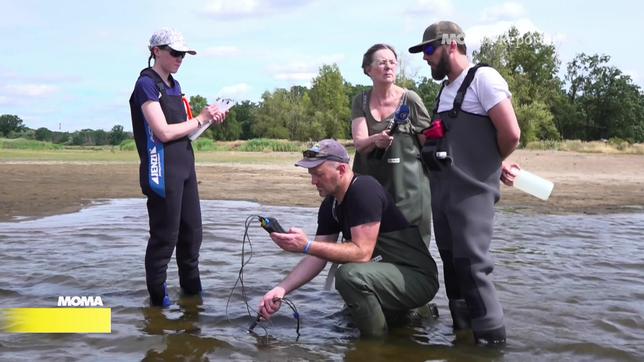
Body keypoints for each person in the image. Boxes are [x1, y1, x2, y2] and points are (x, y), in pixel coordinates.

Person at [409, 21, 521, 345]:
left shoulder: (483, 79)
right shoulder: (445, 90)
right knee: (453, 267)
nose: (425, 57)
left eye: (429, 49)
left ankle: (492, 347)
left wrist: (489, 165)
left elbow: (511, 133)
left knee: (473, 267)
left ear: (451, 45)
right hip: (443, 194)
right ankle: (463, 340)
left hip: (472, 192)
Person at [258, 139, 439, 337]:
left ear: (342, 170)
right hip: (384, 276)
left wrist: (306, 245)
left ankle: (374, 345)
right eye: (311, 175)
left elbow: (362, 253)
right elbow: (316, 257)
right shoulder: (331, 205)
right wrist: (281, 289)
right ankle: (409, 317)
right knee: (348, 311)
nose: (313, 182)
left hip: (417, 278)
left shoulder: (364, 190)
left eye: (319, 174)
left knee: (349, 275)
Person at [129, 28, 227, 307]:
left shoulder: (175, 85)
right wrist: (200, 117)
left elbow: (186, 132)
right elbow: (162, 132)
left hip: (185, 166)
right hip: (161, 171)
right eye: (175, 53)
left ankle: (193, 298)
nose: (180, 58)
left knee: (192, 235)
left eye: (183, 54)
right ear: (156, 51)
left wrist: (208, 120)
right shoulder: (146, 84)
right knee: (165, 238)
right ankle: (158, 303)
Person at [351, 44, 432, 246]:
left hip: (410, 195)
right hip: (371, 192)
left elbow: (429, 144)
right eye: (382, 62)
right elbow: (360, 144)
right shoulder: (360, 101)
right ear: (368, 70)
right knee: (371, 250)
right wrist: (375, 139)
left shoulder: (410, 99)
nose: (388, 67)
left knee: (413, 252)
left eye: (392, 62)